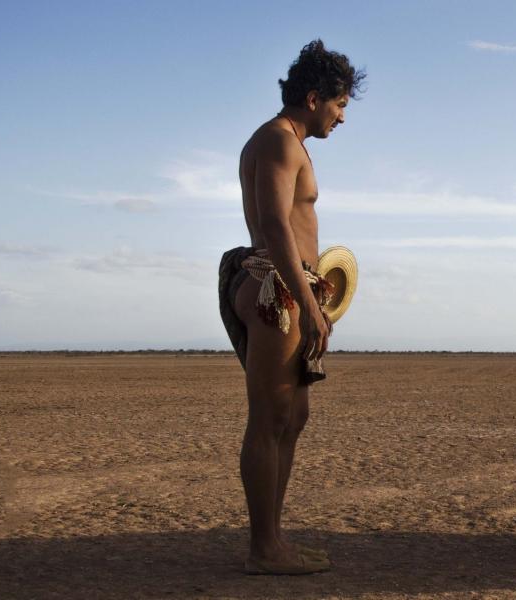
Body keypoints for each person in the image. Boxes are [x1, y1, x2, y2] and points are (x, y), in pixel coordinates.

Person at [218, 39, 365, 575]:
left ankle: (273, 539)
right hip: (275, 289)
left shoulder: (288, 143)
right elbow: (278, 224)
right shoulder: (279, 142)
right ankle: (263, 548)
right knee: (270, 418)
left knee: (292, 417)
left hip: (290, 285)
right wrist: (305, 300)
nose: (342, 117)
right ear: (313, 97)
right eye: (340, 105)